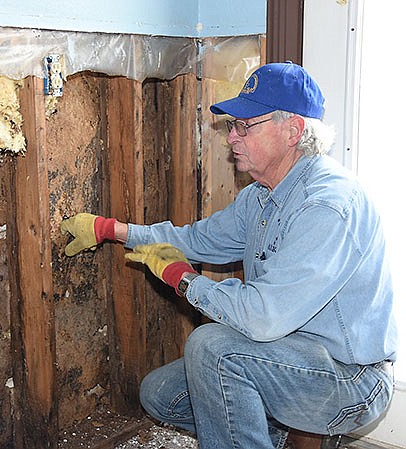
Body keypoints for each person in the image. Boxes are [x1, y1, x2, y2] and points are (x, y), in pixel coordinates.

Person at [60, 62, 397, 449]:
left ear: (293, 131)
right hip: (287, 360)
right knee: (161, 393)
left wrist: (184, 281)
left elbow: (261, 316)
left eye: (244, 126)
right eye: (231, 126)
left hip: (348, 378)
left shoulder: (328, 206)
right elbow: (198, 240)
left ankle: (304, 432)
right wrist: (114, 230)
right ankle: (280, 437)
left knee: (212, 348)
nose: (231, 138)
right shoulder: (261, 196)